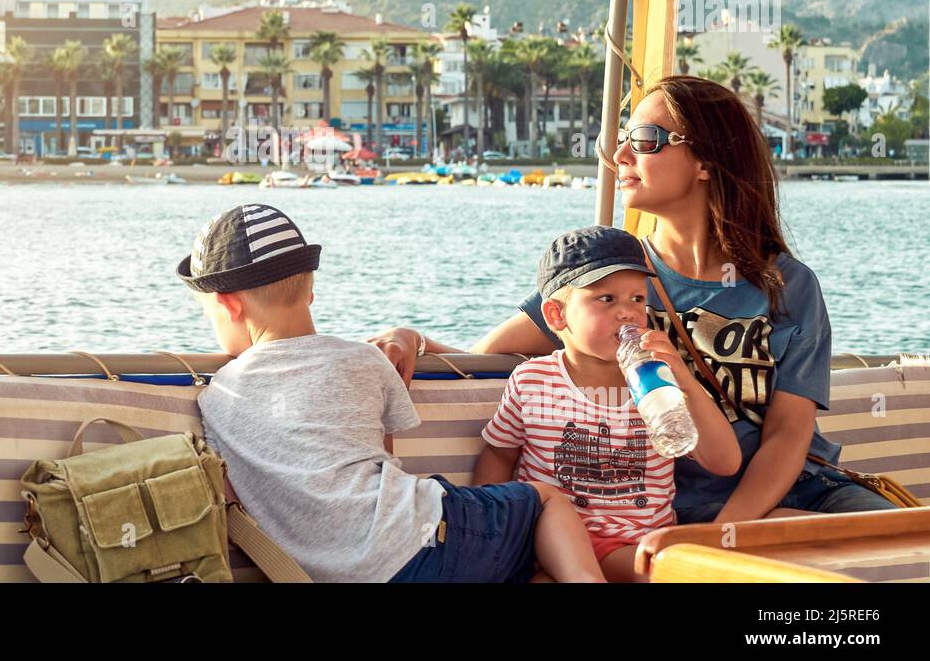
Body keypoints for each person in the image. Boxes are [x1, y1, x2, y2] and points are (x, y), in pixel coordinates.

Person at [372, 75, 898, 524]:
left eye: (645, 139)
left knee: (903, 547)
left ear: (707, 162)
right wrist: (411, 338)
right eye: (621, 139)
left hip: (803, 491)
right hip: (673, 509)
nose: (619, 156)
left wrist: (727, 534)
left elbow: (787, 434)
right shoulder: (606, 279)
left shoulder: (786, 284)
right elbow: (483, 360)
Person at [182, 204, 606, 583]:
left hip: (336, 573)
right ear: (310, 291)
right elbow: (384, 457)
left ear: (229, 305)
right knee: (547, 502)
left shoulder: (215, 400)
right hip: (428, 537)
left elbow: (234, 498)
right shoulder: (365, 360)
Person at [474, 225, 741, 582]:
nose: (627, 313)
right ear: (556, 315)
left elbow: (725, 462)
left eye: (637, 299)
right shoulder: (532, 381)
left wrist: (685, 380)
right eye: (606, 299)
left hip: (642, 546)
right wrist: (486, 531)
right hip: (550, 541)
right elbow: (499, 454)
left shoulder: (657, 383)